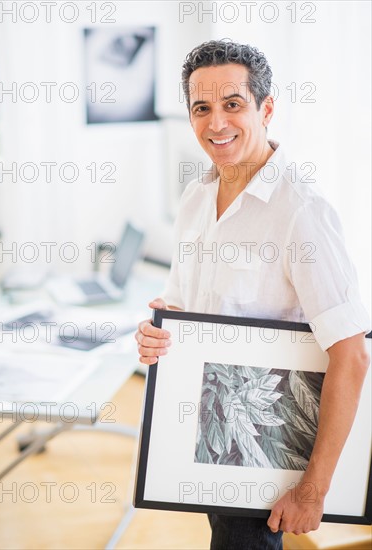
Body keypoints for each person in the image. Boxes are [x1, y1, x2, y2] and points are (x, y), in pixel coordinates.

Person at [135, 40, 370, 550]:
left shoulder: (301, 213)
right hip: (203, 449)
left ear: (266, 108)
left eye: (233, 104)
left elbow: (351, 355)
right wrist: (158, 332)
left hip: (266, 462)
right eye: (202, 108)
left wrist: (313, 489)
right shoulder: (195, 197)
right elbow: (178, 308)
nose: (216, 123)